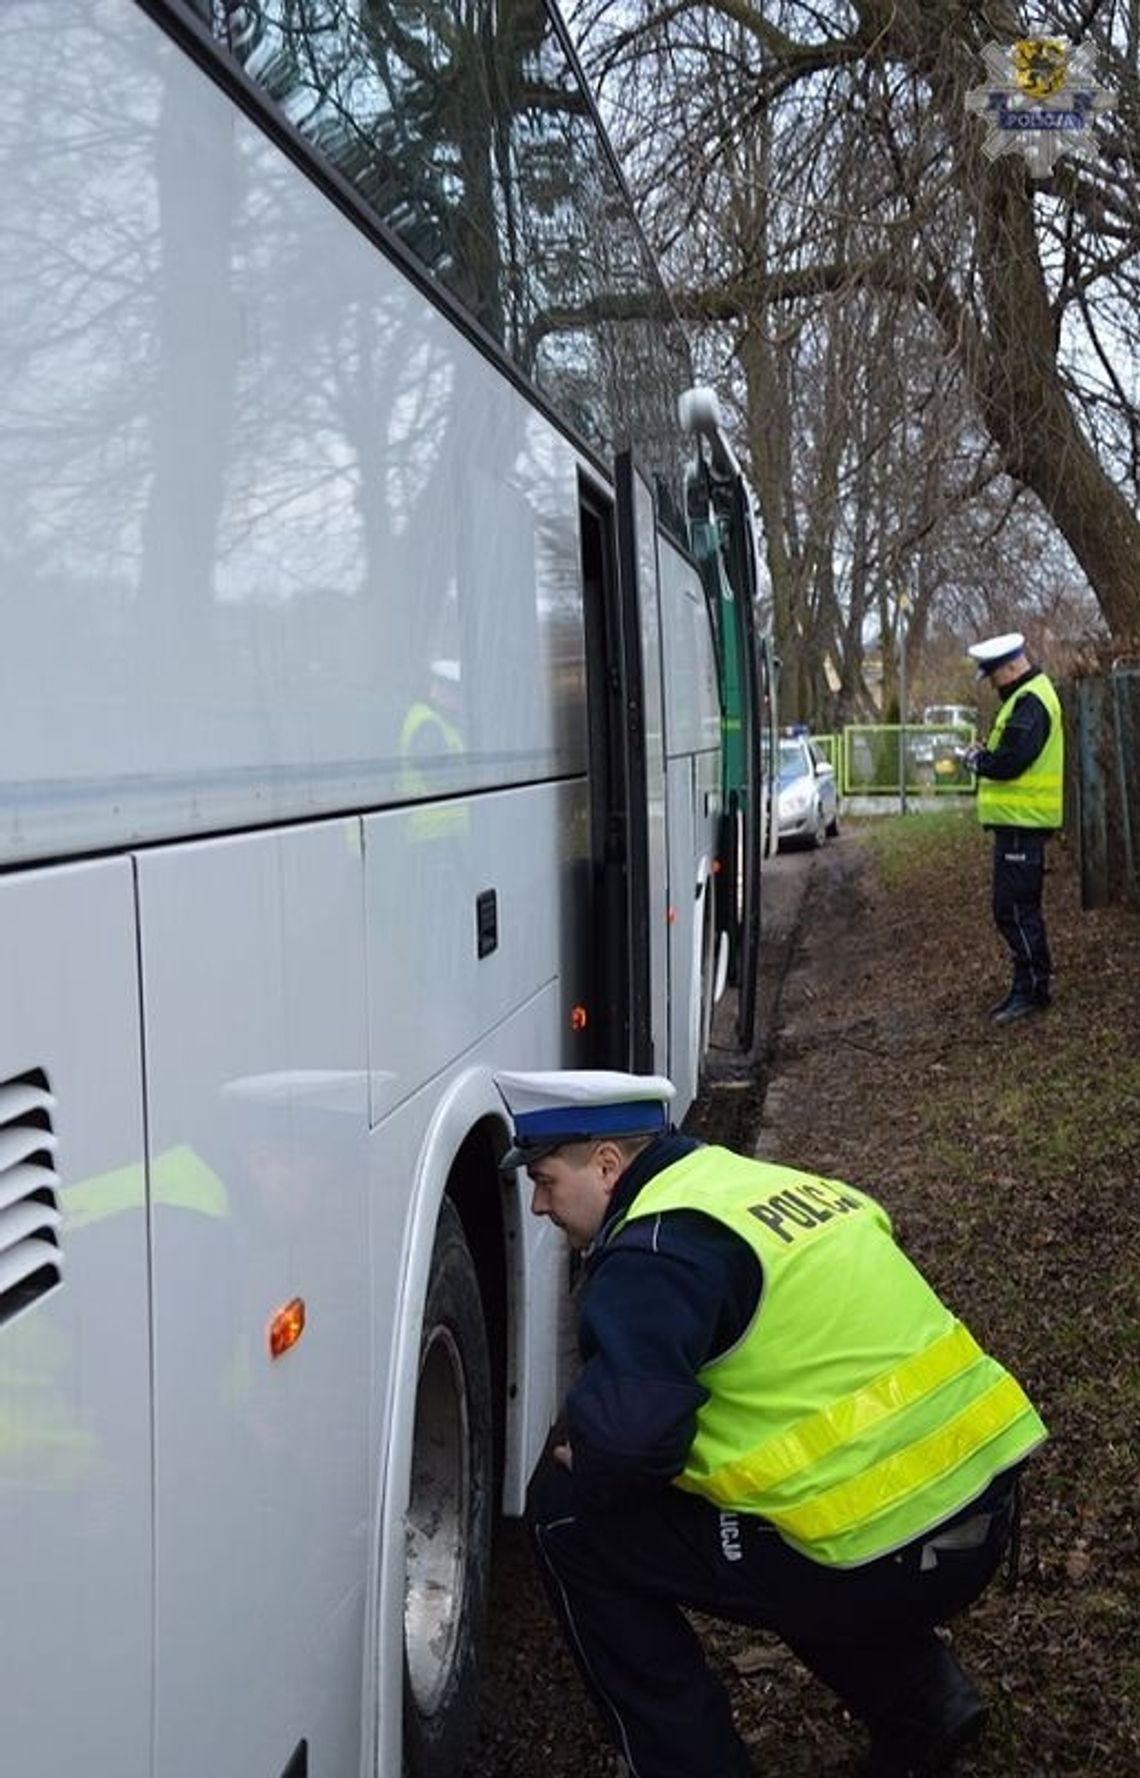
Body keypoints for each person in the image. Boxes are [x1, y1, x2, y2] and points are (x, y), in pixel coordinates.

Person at [494, 1068, 1047, 1778]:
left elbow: (631, 1447)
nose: (538, 1206)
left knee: (567, 1516)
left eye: (544, 1180)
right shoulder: (757, 1183)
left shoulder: (653, 1250)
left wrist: (594, 1456)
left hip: (884, 1546)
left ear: (607, 1166)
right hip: (980, 1506)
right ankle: (920, 1698)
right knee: (779, 1503)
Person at [957, 632, 1064, 1024]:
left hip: (1024, 826)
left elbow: (1013, 761)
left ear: (1011, 667)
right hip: (1018, 826)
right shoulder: (1028, 697)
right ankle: (1027, 986)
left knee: (1014, 910)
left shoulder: (1030, 700)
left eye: (994, 676)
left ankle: (1033, 989)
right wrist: (988, 755)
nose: (994, 685)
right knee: (1016, 909)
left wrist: (978, 761)